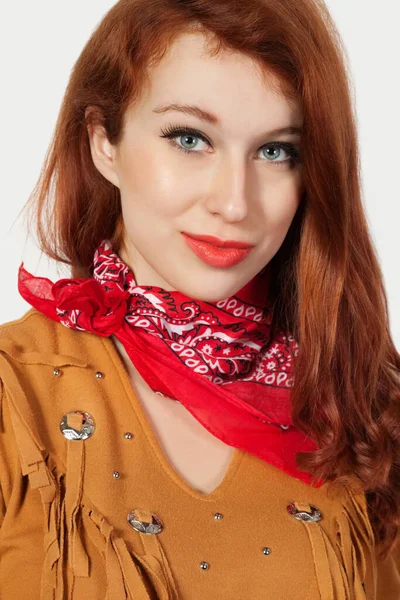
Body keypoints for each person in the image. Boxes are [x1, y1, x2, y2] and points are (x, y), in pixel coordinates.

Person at [1, 0, 399, 597]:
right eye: (190, 138)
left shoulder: (359, 402)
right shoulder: (15, 395)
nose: (235, 203)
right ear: (103, 142)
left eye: (276, 151)